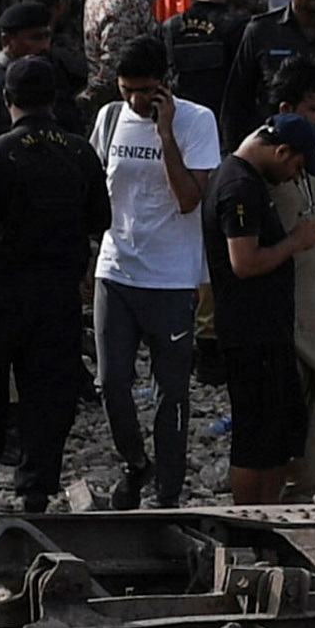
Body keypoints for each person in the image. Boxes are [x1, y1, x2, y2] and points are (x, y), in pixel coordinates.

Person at [0, 58, 108, 514]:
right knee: (49, 391)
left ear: (8, 101)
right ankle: (36, 489)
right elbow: (102, 218)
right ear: (53, 101)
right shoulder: (80, 152)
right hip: (57, 294)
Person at [91, 35, 222, 505]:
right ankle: (135, 463)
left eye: (145, 91)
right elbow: (95, 191)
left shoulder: (197, 121)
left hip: (170, 278)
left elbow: (188, 199)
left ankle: (169, 491)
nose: (135, 101)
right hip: (116, 270)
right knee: (111, 382)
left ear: (165, 84)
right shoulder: (109, 119)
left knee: (172, 391)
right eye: (127, 90)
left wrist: (165, 134)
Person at [212, 116, 315, 500]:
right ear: (281, 151)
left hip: (268, 329)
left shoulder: (249, 180)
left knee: (278, 436)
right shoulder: (239, 185)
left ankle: (268, 518)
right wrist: (297, 241)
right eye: (296, 167)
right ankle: (251, 519)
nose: (293, 177)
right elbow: (244, 262)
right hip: (250, 332)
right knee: (256, 441)